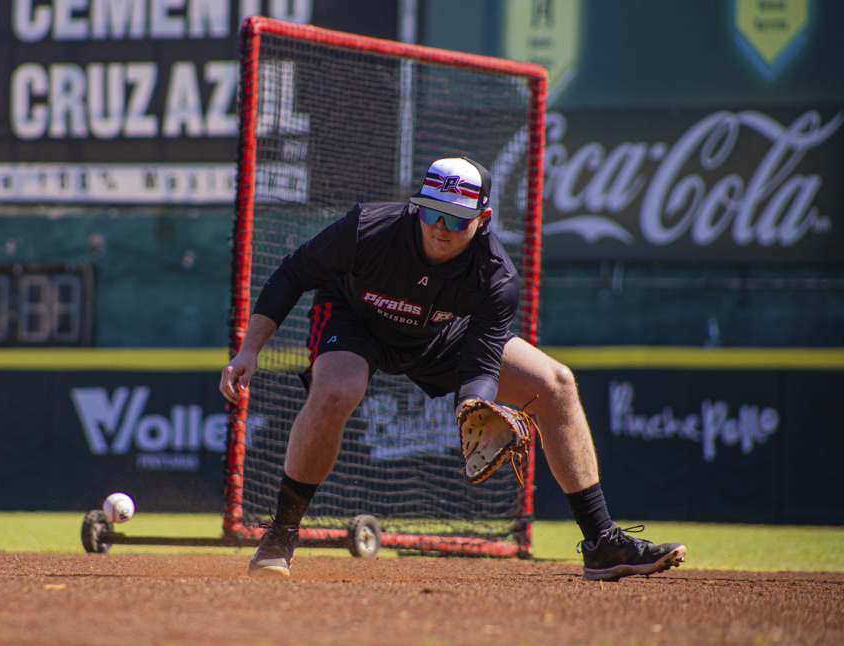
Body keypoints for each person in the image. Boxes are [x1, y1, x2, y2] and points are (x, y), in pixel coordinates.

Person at [220, 157, 685, 581]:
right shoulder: (368, 228)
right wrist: (248, 351)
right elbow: (292, 274)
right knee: (337, 391)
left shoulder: (495, 278)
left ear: (482, 219)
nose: (440, 228)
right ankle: (280, 534)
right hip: (355, 318)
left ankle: (601, 541)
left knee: (556, 383)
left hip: (440, 334)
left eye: (456, 218)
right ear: (416, 206)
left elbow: (480, 360)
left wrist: (474, 408)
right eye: (431, 212)